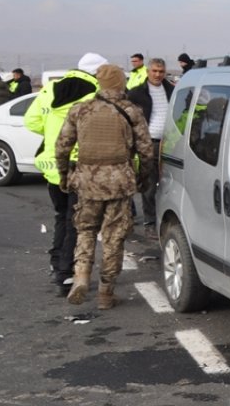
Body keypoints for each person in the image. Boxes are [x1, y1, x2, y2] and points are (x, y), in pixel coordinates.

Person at [56, 64, 154, 309]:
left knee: (85, 231)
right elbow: (146, 150)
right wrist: (142, 177)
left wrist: (64, 176)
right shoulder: (131, 111)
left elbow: (62, 146)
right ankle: (105, 293)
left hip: (88, 181)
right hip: (120, 182)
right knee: (113, 237)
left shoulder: (80, 110)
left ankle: (80, 276)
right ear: (122, 83)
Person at [24, 52, 106, 296]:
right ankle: (65, 274)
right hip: (79, 164)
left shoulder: (50, 89)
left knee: (61, 216)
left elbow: (31, 121)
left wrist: (52, 135)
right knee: (76, 222)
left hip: (52, 165)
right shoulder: (94, 94)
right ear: (97, 72)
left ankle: (56, 262)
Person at [127, 57, 174, 236]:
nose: (157, 74)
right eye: (154, 71)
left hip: (169, 145)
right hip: (147, 144)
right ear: (148, 72)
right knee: (149, 186)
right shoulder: (136, 93)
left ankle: (166, 219)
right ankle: (150, 222)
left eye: (161, 71)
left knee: (168, 185)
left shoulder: (172, 90)